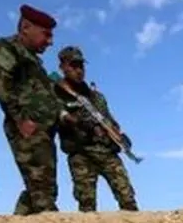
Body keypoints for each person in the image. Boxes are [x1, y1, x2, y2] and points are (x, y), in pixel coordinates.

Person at [0, 4, 67, 215]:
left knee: (41, 189)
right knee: (42, 191)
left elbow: (46, 96)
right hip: (28, 128)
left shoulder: (34, 62)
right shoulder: (8, 47)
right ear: (25, 27)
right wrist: (20, 119)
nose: (50, 42)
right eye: (46, 35)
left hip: (43, 131)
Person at [54, 46, 138, 212]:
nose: (79, 70)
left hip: (106, 152)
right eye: (73, 66)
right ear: (62, 67)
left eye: (81, 66)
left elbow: (109, 120)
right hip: (81, 154)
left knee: (128, 199)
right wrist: (77, 121)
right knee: (87, 206)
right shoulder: (57, 93)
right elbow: (58, 115)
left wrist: (120, 136)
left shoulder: (96, 96)